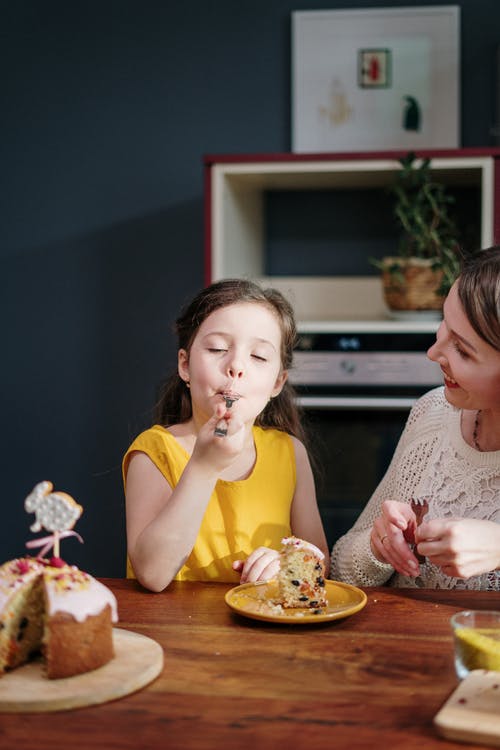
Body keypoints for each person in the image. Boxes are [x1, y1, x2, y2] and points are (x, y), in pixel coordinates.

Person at [123, 278, 328, 592]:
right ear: (185, 365)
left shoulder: (290, 453)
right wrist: (204, 467)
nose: (236, 366)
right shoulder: (154, 452)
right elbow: (152, 573)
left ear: (277, 382)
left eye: (258, 357)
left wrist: (287, 565)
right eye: (218, 348)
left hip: (268, 635)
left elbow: (319, 561)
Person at [331, 246, 500, 590]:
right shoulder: (433, 413)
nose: (434, 352)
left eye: (463, 350)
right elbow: (340, 572)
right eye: (445, 324)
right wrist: (377, 548)